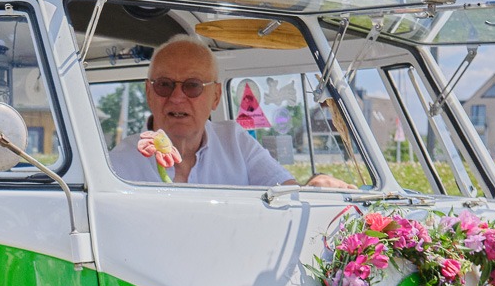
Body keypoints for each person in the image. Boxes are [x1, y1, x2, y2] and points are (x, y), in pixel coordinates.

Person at [108, 35, 351, 188]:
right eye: (164, 85)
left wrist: (313, 186)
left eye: (192, 86)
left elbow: (286, 193)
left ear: (215, 97)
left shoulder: (235, 141)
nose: (177, 97)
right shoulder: (118, 164)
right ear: (149, 93)